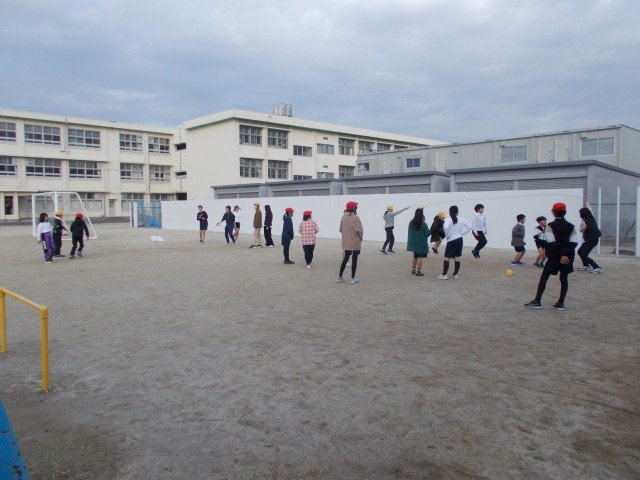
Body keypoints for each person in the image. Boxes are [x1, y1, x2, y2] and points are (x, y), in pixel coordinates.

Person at [525, 202, 579, 311]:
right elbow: (574, 242)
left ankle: (537, 301)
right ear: (565, 212)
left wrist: (561, 254)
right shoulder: (571, 226)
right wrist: (565, 254)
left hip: (555, 256)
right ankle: (561, 303)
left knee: (544, 277)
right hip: (568, 256)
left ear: (553, 212)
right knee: (564, 278)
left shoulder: (550, 226)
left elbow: (551, 242)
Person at [438, 205, 471, 280]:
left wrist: (447, 235)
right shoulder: (461, 219)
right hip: (459, 239)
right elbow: (470, 226)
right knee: (457, 257)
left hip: (451, 240)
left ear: (450, 211)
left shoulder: (448, 219)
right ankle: (455, 275)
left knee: (447, 257)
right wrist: (462, 233)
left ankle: (444, 274)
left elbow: (446, 227)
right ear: (457, 211)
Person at [337, 201, 364, 284]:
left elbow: (340, 229)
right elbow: (360, 231)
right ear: (354, 208)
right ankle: (352, 278)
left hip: (346, 241)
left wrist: (346, 235)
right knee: (354, 259)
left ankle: (339, 277)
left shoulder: (343, 217)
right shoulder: (356, 218)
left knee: (345, 258)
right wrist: (360, 239)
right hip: (355, 241)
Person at [577, 207, 603, 273]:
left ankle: (596, 267)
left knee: (584, 255)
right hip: (592, 239)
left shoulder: (584, 222)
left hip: (591, 240)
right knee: (580, 251)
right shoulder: (592, 218)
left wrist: (581, 225)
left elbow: (581, 230)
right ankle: (586, 265)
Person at [406, 207, 431, 276]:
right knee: (420, 257)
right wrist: (431, 230)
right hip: (421, 243)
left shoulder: (411, 222)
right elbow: (427, 234)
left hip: (413, 242)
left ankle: (413, 269)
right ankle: (418, 271)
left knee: (415, 256)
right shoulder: (423, 223)